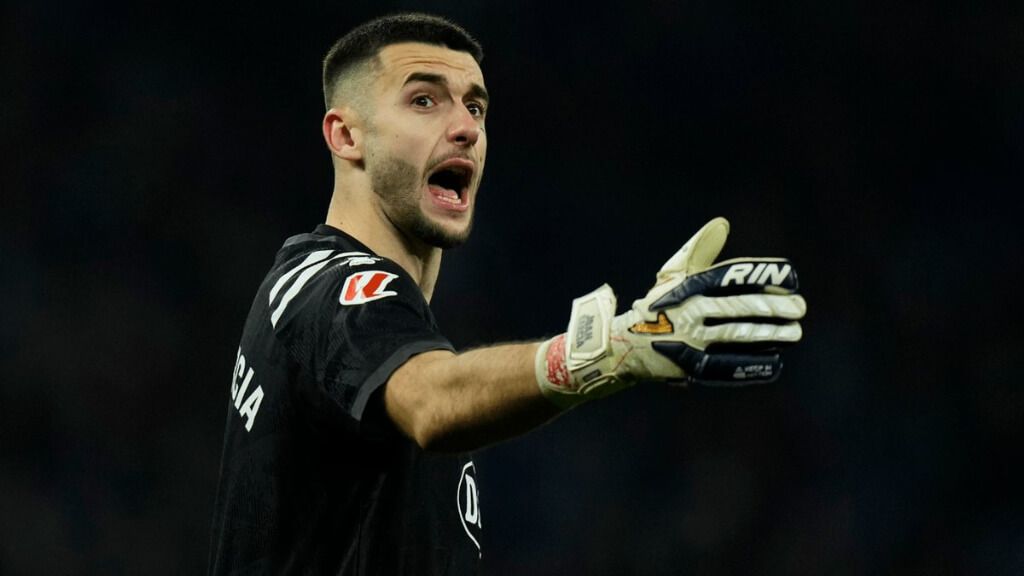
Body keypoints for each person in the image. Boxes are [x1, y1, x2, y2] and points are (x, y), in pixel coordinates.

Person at [208, 12, 807, 576]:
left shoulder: (364, 323)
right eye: (424, 100)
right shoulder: (328, 286)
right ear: (346, 136)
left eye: (476, 106)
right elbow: (432, 401)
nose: (466, 127)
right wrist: (601, 353)